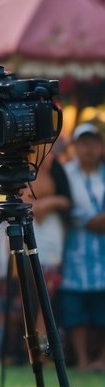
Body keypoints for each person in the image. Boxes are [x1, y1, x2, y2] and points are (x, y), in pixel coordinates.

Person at [62, 122, 105, 370]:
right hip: (74, 252)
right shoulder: (66, 173)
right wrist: (88, 220)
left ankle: (101, 359)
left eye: (93, 143)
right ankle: (82, 360)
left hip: (102, 252)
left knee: (102, 309)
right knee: (74, 309)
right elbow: (66, 206)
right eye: (83, 143)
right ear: (75, 147)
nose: (88, 148)